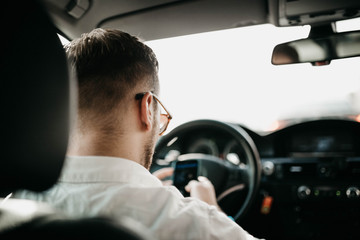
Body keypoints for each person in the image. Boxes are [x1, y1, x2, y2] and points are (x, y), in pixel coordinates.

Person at [14, 28, 261, 240]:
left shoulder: (17, 205)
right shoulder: (198, 224)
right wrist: (212, 211)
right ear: (147, 110)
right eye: (161, 115)